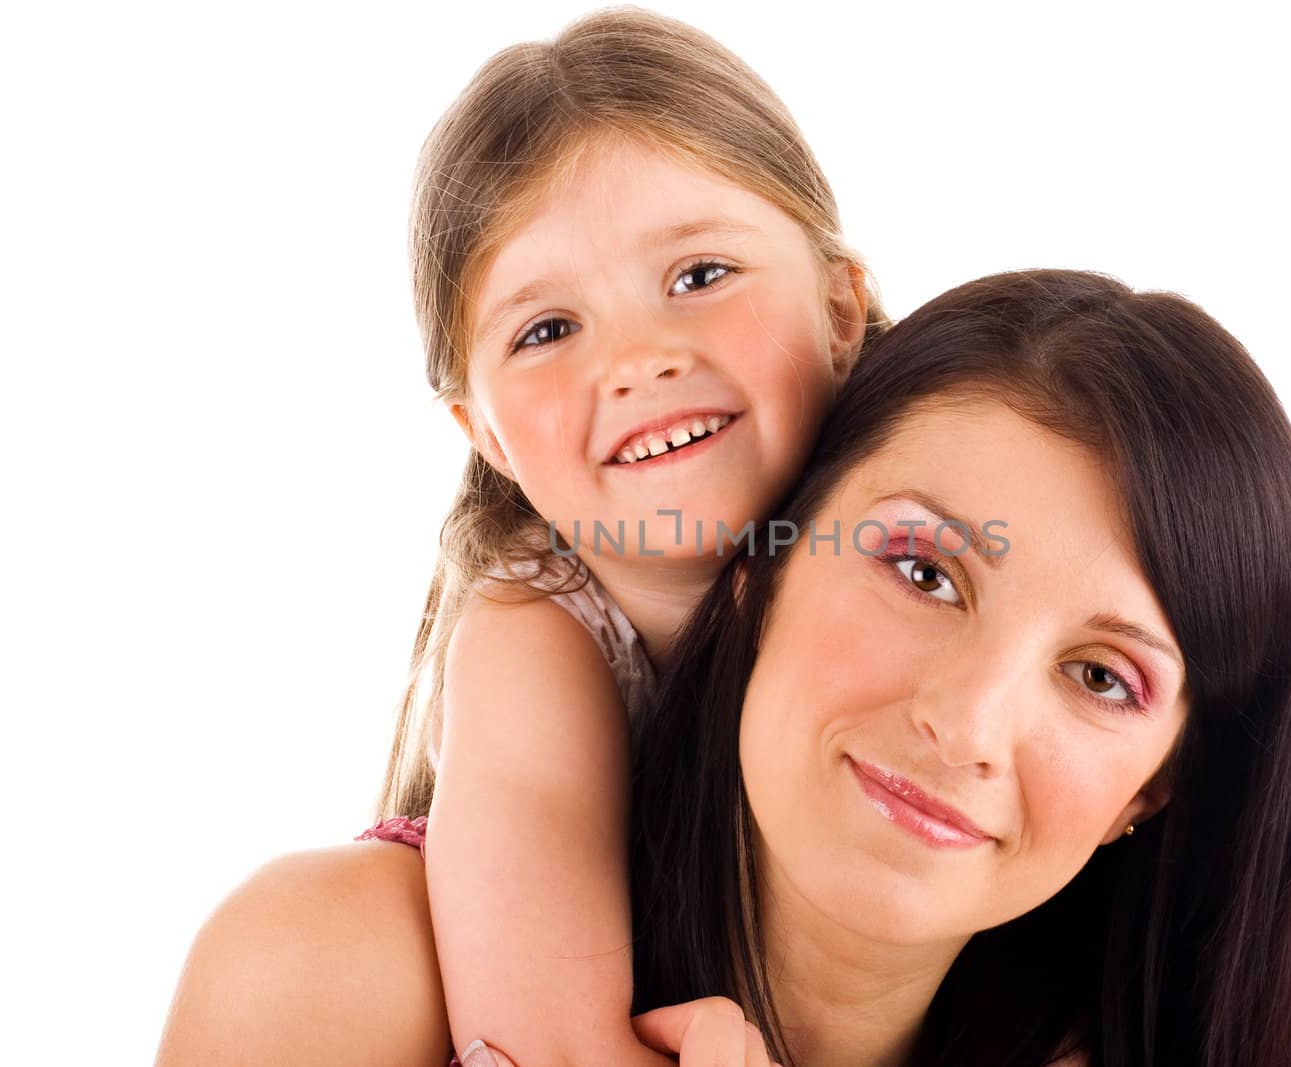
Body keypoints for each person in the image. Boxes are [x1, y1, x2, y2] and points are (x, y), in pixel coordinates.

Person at [157, 269, 1291, 1066]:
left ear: (1151, 789)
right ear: (754, 561)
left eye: (1098, 678)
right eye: (922, 571)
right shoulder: (329, 980)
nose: (966, 722)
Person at [297, 8, 882, 1066]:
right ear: (488, 437)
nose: (638, 358)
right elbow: (546, 1044)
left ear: (842, 307)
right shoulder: (535, 624)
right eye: (548, 329)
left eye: (700, 275)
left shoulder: (918, 535)